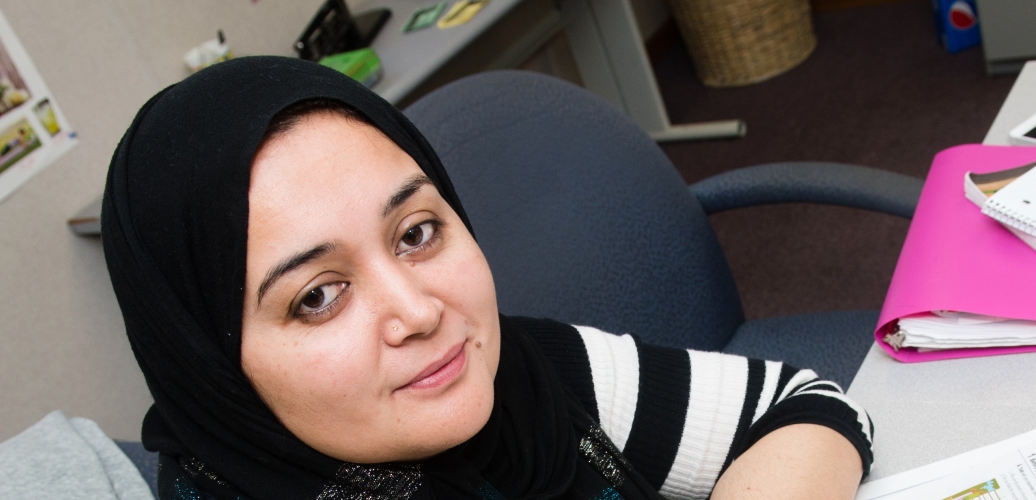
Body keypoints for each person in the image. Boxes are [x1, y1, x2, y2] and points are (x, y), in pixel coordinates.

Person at [101, 56, 872, 500]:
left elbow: (809, 408)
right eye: (316, 296)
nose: (419, 310)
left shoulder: (518, 379)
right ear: (211, 368)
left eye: (416, 233)